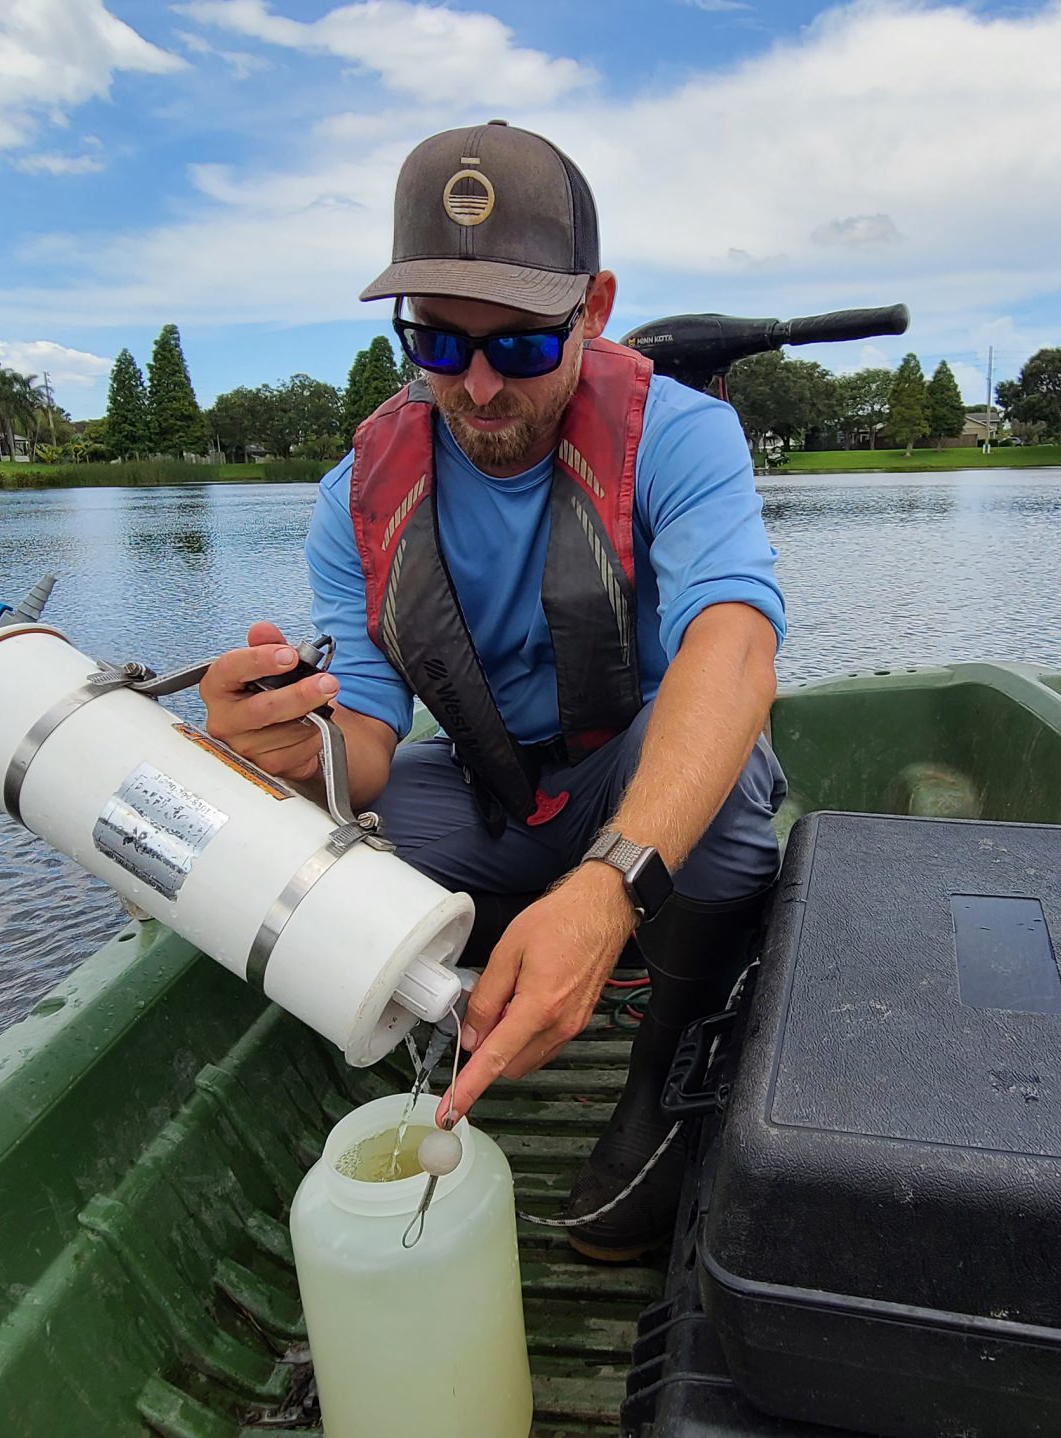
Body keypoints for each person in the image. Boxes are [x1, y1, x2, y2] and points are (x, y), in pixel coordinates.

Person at [200, 121, 786, 1262]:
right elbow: (367, 731)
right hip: (486, 799)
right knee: (292, 833)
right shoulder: (353, 498)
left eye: (518, 346)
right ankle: (467, 979)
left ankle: (661, 1088)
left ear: (595, 307)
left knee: (726, 760)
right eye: (435, 341)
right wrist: (281, 744)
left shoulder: (685, 433)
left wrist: (609, 885)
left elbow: (735, 645)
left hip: (627, 786)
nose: (475, 387)